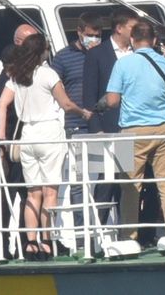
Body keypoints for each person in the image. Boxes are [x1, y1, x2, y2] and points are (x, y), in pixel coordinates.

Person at [0, 34, 91, 260]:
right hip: (49, 133)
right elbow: (65, 103)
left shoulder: (17, 74)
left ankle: (31, 243)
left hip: (27, 135)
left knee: (32, 193)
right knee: (50, 192)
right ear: (42, 52)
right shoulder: (48, 74)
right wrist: (83, 112)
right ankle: (47, 241)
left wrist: (2, 138)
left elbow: (1, 103)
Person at [103, 19, 165, 241]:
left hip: (132, 130)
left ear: (132, 39)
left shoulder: (123, 64)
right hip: (163, 129)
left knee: (130, 187)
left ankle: (129, 236)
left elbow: (113, 100)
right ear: (154, 40)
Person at [83, 9, 139, 223]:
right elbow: (89, 95)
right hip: (108, 127)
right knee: (107, 182)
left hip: (136, 126)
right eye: (133, 27)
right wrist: (96, 129)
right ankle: (96, 232)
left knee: (134, 184)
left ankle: (134, 232)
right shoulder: (97, 54)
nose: (136, 32)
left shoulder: (139, 53)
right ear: (119, 28)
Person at [52, 12, 102, 229]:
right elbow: (54, 88)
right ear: (79, 32)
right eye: (90, 35)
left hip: (103, 125)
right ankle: (83, 233)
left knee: (109, 179)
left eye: (98, 35)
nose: (94, 39)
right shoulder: (63, 57)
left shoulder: (104, 54)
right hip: (76, 126)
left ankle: (107, 228)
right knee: (79, 182)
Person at [0, 45, 27, 261]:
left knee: (27, 197)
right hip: (6, 150)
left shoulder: (24, 84)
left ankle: (24, 245)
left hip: (23, 149)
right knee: (0, 200)